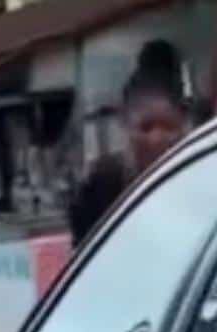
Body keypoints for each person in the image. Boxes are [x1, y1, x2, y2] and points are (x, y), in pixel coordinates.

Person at [70, 45, 190, 245]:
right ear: (125, 122)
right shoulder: (101, 184)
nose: (157, 139)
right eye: (146, 127)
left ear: (184, 123)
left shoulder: (200, 176)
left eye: (168, 127)